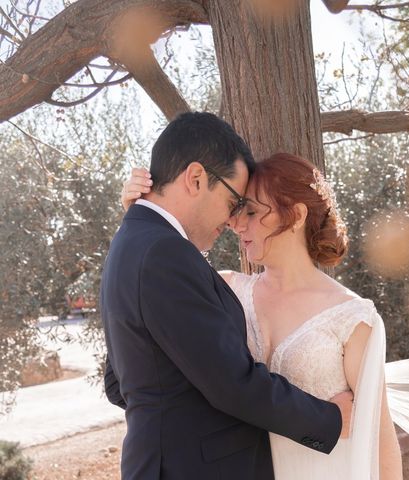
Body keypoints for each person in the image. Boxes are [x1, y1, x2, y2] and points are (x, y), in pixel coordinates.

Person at [102, 112, 353, 480]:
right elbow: (232, 385)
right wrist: (331, 419)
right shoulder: (163, 253)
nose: (234, 220)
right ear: (196, 178)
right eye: (234, 200)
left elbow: (119, 383)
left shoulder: (132, 244)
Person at [122, 153, 403, 479]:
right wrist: (141, 221)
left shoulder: (352, 319)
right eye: (236, 210)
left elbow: (381, 440)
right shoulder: (225, 290)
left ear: (296, 215)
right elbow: (148, 310)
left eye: (252, 212)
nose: (236, 224)